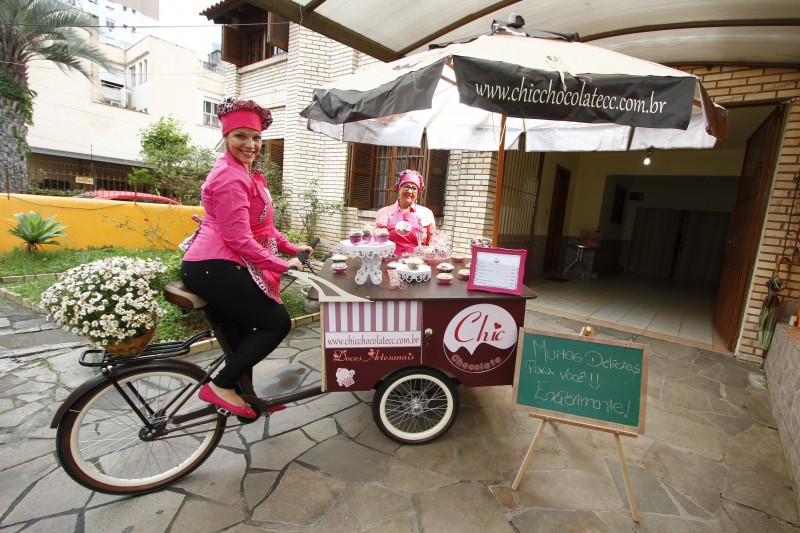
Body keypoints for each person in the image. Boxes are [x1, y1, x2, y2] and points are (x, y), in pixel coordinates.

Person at [180, 98, 313, 418]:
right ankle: (222, 385)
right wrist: (282, 264)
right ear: (226, 137)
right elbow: (238, 238)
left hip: (219, 263)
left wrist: (291, 248)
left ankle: (246, 398)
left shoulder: (246, 172)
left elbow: (262, 227)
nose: (250, 144)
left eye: (255, 138)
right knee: (276, 322)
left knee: (241, 336)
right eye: (240, 136)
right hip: (214, 265)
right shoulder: (229, 176)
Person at [375, 169, 437, 256]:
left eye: (414, 188)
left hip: (417, 264)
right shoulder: (383, 212)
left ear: (418, 193)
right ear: (399, 189)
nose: (410, 191)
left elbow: (432, 243)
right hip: (389, 262)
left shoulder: (426, 213)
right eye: (406, 186)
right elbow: (377, 242)